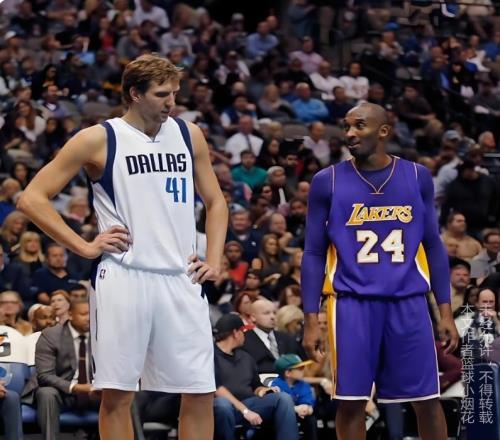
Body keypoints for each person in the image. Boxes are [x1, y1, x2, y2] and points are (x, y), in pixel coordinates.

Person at [17, 54, 228, 440]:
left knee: (200, 391)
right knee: (117, 394)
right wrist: (84, 246)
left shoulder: (188, 134)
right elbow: (31, 199)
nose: (171, 102)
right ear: (134, 94)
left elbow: (216, 201)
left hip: (181, 277)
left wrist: (214, 259)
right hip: (124, 277)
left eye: (175, 93)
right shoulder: (99, 138)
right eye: (162, 94)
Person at [301, 103, 459, 440]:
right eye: (347, 126)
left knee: (427, 401)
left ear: (384, 131)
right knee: (351, 403)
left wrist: (445, 311)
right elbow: (313, 253)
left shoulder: (417, 176)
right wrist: (310, 319)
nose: (350, 133)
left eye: (359, 125)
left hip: (409, 301)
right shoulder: (326, 181)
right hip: (351, 303)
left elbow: (433, 244)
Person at [212, 313, 299, 440]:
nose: (245, 335)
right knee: (222, 404)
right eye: (243, 331)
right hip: (223, 407)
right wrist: (245, 411)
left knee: (283, 398)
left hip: (249, 403)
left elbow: (256, 385)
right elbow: (217, 388)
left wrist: (263, 390)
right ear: (235, 333)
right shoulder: (211, 356)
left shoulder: (246, 357)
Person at [271, 354, 318, 440]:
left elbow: (309, 405)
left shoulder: (303, 384)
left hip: (301, 415)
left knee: (311, 420)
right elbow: (277, 407)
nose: (304, 370)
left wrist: (307, 409)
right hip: (283, 415)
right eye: (300, 368)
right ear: (288, 373)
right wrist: (295, 409)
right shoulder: (276, 385)